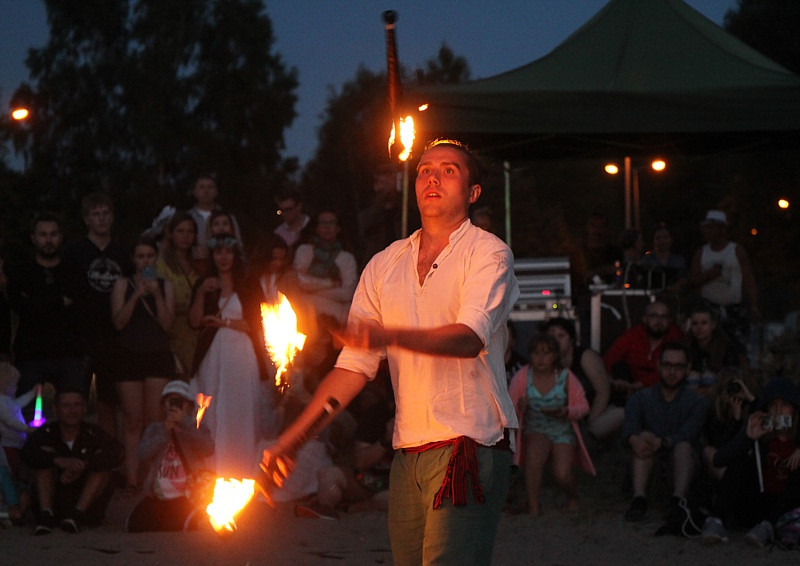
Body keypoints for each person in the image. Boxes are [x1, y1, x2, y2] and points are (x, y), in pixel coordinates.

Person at [261, 139, 520, 566]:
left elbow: (468, 338)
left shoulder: (488, 253)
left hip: (469, 444)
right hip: (408, 451)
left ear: (473, 192)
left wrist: (387, 335)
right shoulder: (384, 265)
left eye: (449, 170)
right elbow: (352, 368)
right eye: (425, 170)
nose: (433, 178)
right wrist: (292, 441)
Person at [189, 234, 274, 478]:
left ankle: (242, 469)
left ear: (236, 255)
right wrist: (201, 292)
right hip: (211, 355)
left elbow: (256, 324)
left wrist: (224, 322)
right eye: (219, 252)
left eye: (228, 252)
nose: (223, 257)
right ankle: (212, 469)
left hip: (240, 353)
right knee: (212, 408)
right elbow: (194, 322)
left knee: (239, 409)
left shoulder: (247, 284)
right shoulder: (205, 283)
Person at [61, 192, 132, 437]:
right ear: (86, 219)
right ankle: (72, 452)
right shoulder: (73, 252)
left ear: (112, 217)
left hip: (113, 340)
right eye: (95, 214)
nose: (101, 219)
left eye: (105, 213)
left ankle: (107, 454)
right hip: (80, 340)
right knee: (73, 403)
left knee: (108, 404)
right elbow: (66, 296)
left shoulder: (122, 254)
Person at [110, 235, 176, 493]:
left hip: (157, 355)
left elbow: (167, 324)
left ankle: (153, 475)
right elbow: (118, 322)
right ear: (133, 259)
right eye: (140, 256)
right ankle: (131, 478)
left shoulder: (165, 285)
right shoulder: (122, 284)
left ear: (155, 258)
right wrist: (136, 294)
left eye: (149, 256)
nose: (145, 261)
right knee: (132, 420)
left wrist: (157, 295)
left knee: (155, 419)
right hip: (128, 355)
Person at [701, 377, 800, 547]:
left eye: (784, 405)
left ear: (794, 408)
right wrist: (747, 438)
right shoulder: (759, 432)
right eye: (773, 405)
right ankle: (715, 521)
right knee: (742, 459)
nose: (778, 410)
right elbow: (718, 460)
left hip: (785, 508)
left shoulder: (797, 435)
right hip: (756, 504)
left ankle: (768, 526)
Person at [5, 213, 86, 419]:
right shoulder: (21, 271)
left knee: (72, 415)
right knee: (26, 416)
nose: (48, 240)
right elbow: (22, 308)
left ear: (61, 236)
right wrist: (59, 301)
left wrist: (37, 300)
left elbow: (79, 308)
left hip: (69, 354)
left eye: (53, 234)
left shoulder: (73, 270)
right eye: (43, 235)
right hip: (31, 355)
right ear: (33, 238)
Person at [621, 342, 709, 523]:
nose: (672, 371)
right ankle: (639, 499)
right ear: (658, 366)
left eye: (678, 366)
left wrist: (661, 441)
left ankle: (678, 501)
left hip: (684, 462)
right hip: (649, 460)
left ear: (688, 368)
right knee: (641, 440)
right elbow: (630, 427)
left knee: (683, 447)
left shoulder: (698, 402)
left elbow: (689, 432)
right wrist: (635, 438)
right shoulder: (641, 398)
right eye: (667, 365)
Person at [509, 333, 595, 516]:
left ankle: (572, 495)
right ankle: (533, 506)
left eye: (546, 353)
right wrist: (519, 407)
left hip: (562, 429)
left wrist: (567, 412)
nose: (541, 358)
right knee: (533, 462)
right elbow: (508, 410)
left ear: (555, 355)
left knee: (562, 474)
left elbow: (584, 406)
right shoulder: (522, 377)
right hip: (535, 428)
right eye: (536, 353)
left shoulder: (565, 376)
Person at [21, 388, 123, 534]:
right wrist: (57, 461)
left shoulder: (94, 433)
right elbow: (27, 453)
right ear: (56, 409)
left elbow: (117, 453)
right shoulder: (45, 433)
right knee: (43, 463)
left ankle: (76, 515)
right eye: (67, 405)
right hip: (54, 499)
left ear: (85, 408)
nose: (72, 410)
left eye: (77, 405)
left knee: (103, 471)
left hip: (86, 507)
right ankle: (46, 515)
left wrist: (83, 464)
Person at [126, 380, 214, 532]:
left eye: (179, 402)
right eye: (170, 401)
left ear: (189, 406)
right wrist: (164, 432)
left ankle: (194, 514)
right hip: (158, 496)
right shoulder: (155, 428)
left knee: (179, 524)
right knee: (135, 525)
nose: (174, 406)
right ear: (163, 405)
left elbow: (208, 449)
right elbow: (142, 454)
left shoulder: (196, 428)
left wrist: (186, 426)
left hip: (187, 496)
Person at [542, 317, 623, 441]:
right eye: (551, 336)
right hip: (572, 417)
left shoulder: (586, 357)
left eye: (561, 336)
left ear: (571, 339)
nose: (556, 340)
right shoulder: (547, 363)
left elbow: (603, 392)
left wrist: (590, 421)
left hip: (601, 411)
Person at [688, 210, 759, 349]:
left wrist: (753, 305)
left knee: (738, 346)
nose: (709, 232)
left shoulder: (736, 251)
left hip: (734, 307)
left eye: (713, 228)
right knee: (709, 346)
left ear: (722, 230)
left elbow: (748, 278)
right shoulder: (701, 253)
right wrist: (707, 276)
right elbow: (692, 280)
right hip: (709, 308)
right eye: (707, 228)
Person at [603, 299, 684, 398]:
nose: (659, 321)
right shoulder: (634, 334)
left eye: (664, 317)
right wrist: (613, 381)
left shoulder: (675, 336)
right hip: (629, 389)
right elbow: (610, 358)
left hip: (662, 390)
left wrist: (638, 385)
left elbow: (673, 370)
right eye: (654, 316)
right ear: (645, 319)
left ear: (669, 321)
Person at [155, 211, 202, 376]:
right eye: (180, 231)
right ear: (171, 233)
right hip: (175, 329)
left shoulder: (199, 262)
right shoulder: (162, 264)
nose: (185, 236)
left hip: (198, 329)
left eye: (190, 231)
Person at [293, 210, 358, 327]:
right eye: (323, 223)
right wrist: (331, 283)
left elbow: (348, 293)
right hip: (305, 315)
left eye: (331, 223)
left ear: (338, 228)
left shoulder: (347, 258)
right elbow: (298, 281)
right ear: (316, 227)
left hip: (337, 318)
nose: (327, 227)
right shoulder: (304, 251)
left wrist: (311, 290)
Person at [685, 304, 747, 395]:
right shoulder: (687, 346)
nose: (699, 328)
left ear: (713, 324)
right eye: (695, 324)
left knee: (708, 376)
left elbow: (733, 375)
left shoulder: (726, 347)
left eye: (704, 323)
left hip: (719, 393)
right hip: (691, 393)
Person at [189, 174, 243, 260]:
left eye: (210, 187)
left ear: (216, 192)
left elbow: (239, 246)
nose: (206, 191)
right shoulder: (188, 218)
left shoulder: (227, 217)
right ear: (194, 192)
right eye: (201, 187)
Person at [641, 223, 687, 295]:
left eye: (665, 238)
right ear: (653, 241)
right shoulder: (647, 260)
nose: (662, 241)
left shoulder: (678, 260)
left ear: (671, 240)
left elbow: (683, 279)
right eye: (658, 238)